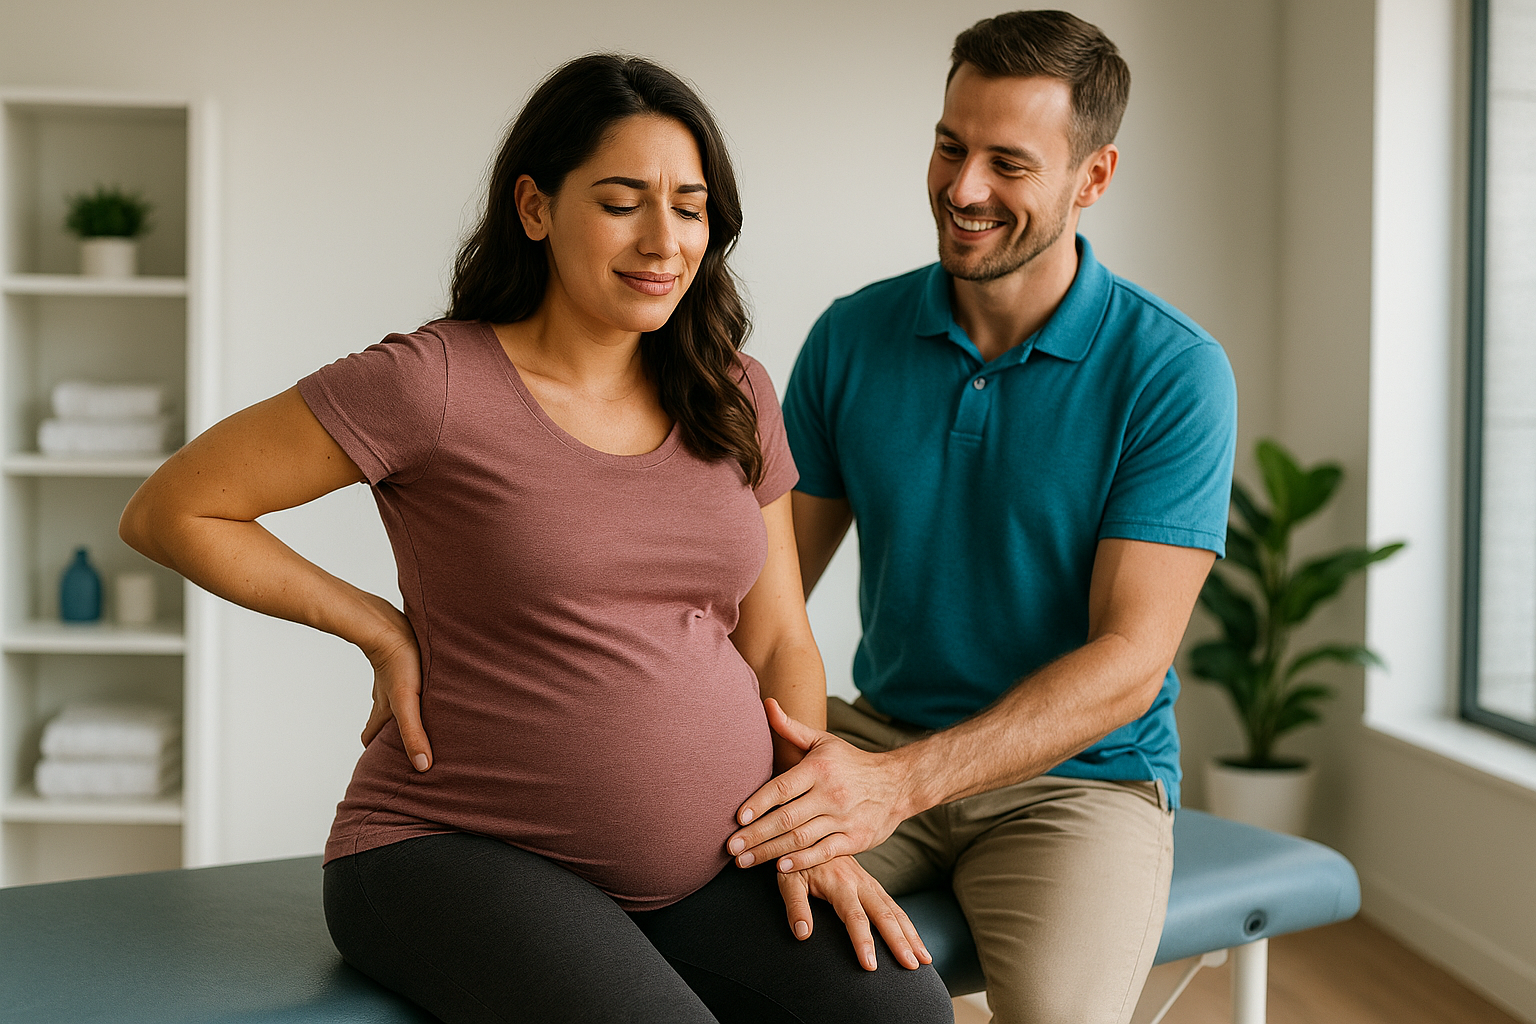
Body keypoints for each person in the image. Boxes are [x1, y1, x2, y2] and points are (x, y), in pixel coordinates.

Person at [119, 54, 953, 1024]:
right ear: (534, 206)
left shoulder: (731, 389)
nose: (662, 239)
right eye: (621, 201)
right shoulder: (432, 383)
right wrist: (378, 627)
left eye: (689, 206)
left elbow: (779, 643)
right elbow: (174, 507)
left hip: (709, 862)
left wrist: (813, 837)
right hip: (451, 844)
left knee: (904, 1016)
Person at [722, 11, 1238, 1024]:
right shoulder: (852, 338)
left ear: (1092, 179)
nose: (962, 189)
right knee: (706, 937)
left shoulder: (1173, 372)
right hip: (874, 738)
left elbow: (1130, 659)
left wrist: (901, 784)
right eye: (951, 147)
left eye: (1008, 162)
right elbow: (763, 597)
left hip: (1080, 784)